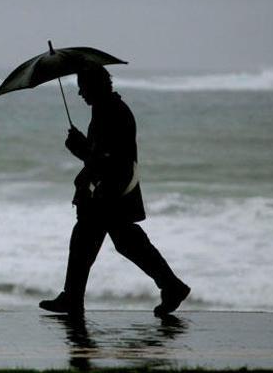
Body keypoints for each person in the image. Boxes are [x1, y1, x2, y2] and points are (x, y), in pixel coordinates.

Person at [39, 64, 190, 316]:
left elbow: (109, 160)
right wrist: (85, 148)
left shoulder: (113, 113)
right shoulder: (107, 109)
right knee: (114, 241)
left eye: (82, 88)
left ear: (95, 86)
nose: (79, 94)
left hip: (111, 192)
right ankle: (170, 285)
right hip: (108, 191)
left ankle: (73, 299)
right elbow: (103, 154)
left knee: (102, 241)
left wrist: (81, 149)